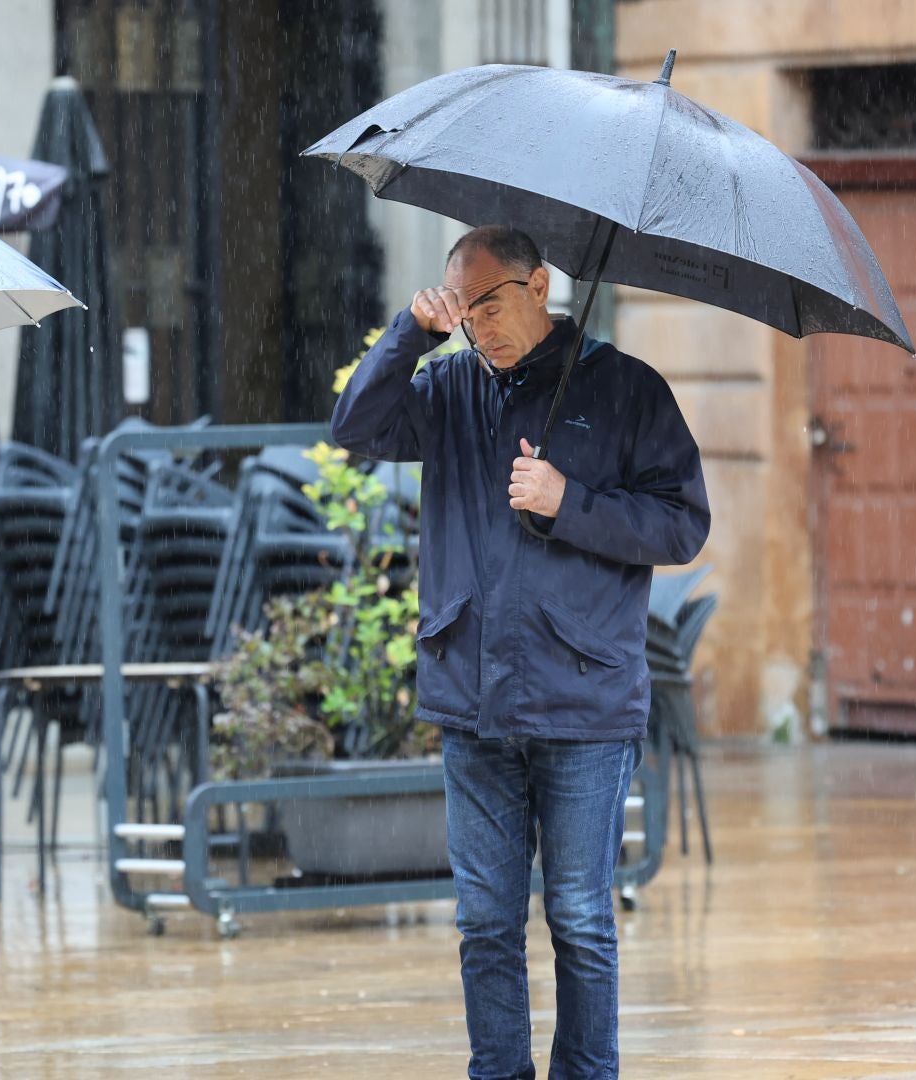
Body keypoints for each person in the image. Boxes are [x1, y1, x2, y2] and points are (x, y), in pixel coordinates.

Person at [331, 225, 710, 1079]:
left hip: (585, 700)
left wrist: (568, 499)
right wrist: (410, 337)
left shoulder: (626, 390)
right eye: (463, 312)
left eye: (490, 304)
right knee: (485, 922)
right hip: (473, 699)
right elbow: (355, 428)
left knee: (579, 916)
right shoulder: (450, 386)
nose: (478, 327)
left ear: (540, 285)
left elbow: (683, 523)